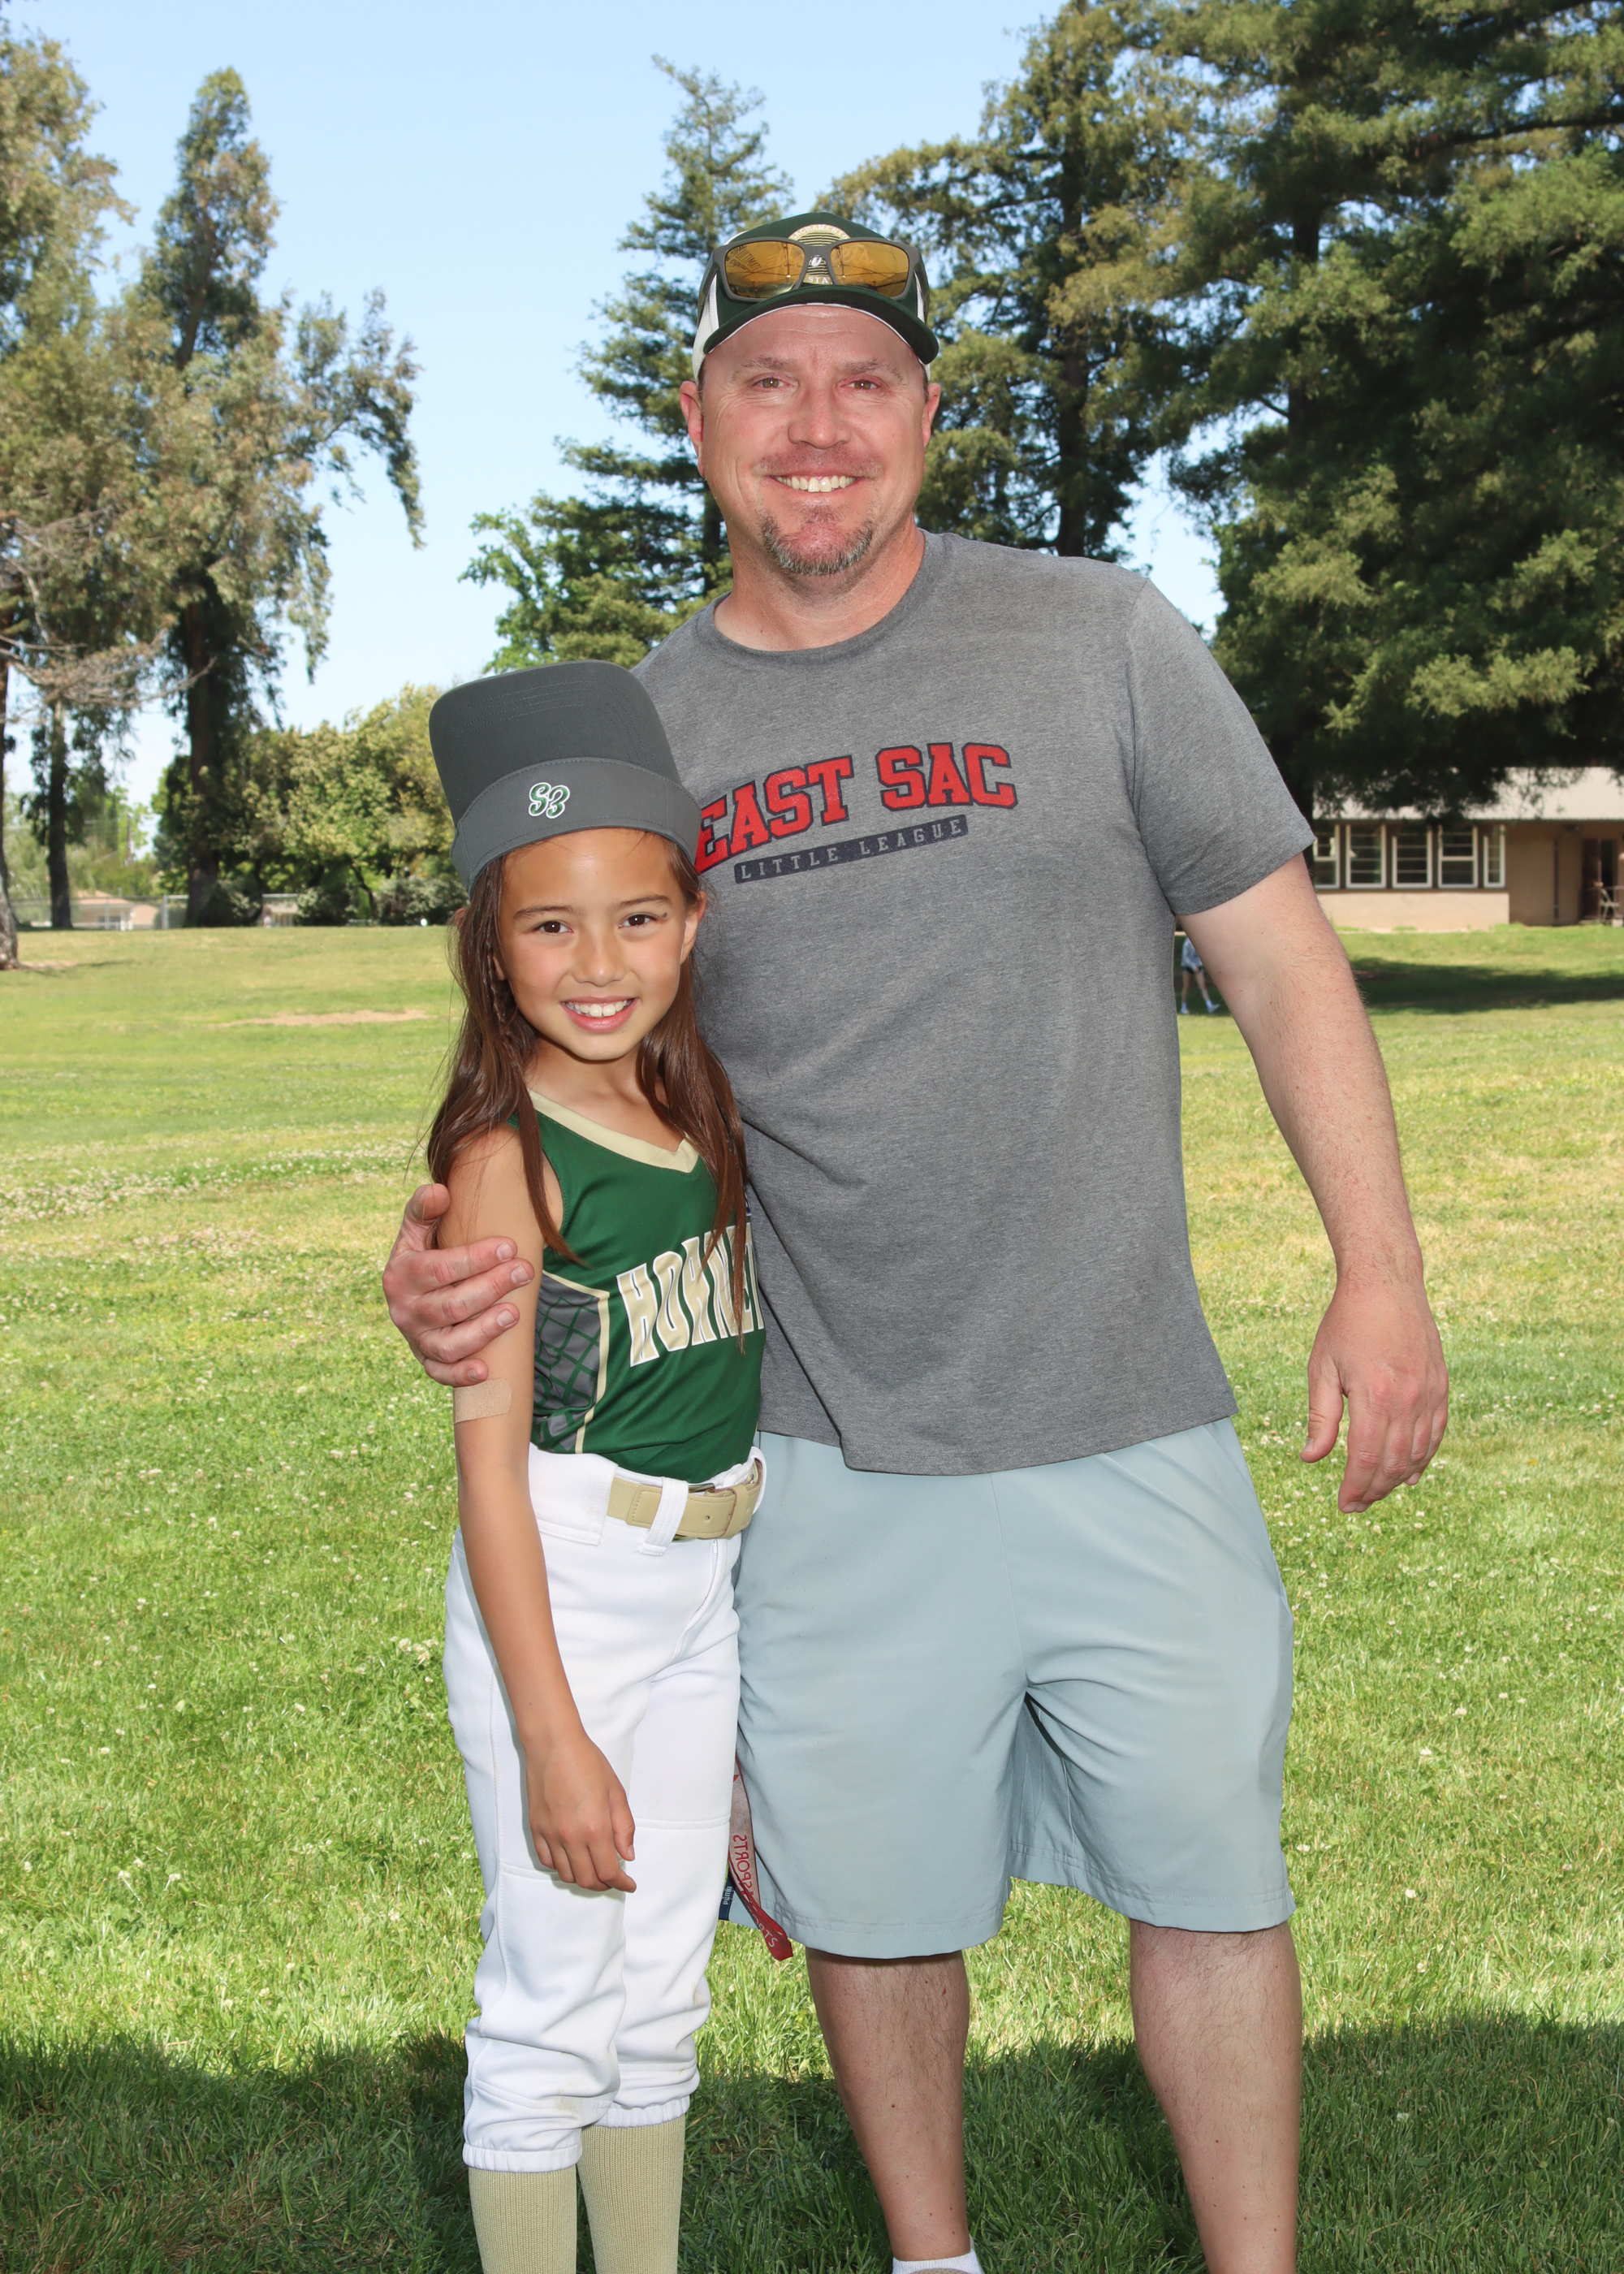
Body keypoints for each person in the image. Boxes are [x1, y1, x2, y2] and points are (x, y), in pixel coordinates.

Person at [386, 211, 1449, 2274]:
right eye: (767, 383)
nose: (817, 427)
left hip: (1127, 1406)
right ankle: (930, 2260)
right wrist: (437, 1251)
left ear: (928, 418)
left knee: (1213, 1885)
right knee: (870, 1910)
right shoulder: (641, 736)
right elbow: (552, 1051)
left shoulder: (1097, 637)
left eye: (863, 384)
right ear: (697, 419)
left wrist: (1379, 1269)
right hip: (819, 1450)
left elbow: (1280, 962)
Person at [425, 660, 766, 2274]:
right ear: (492, 949)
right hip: (563, 1582)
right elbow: (489, 1477)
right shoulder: (507, 1154)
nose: (599, 961)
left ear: (691, 924)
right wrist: (552, 1734)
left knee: (660, 1999)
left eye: (636, 917)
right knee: (553, 2002)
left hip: (699, 1584)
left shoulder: (698, 1109)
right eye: (549, 926)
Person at [1180, 931, 1219, 1013]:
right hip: (1187, 967)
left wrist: (1200, 965)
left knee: (1203, 986)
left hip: (1198, 967)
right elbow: (1185, 957)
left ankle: (1209, 1006)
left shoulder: (1199, 942)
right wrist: (1193, 966)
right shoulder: (1187, 943)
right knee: (1186, 987)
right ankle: (1183, 1007)